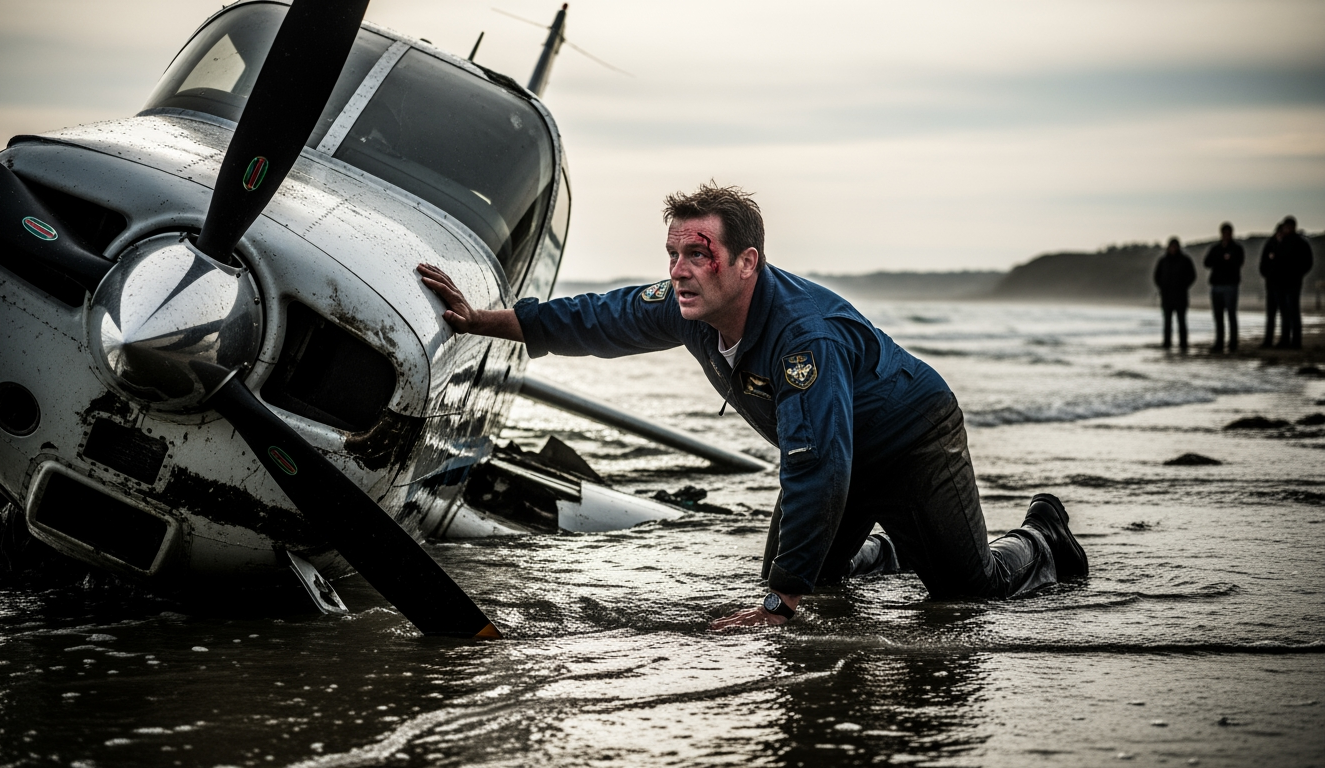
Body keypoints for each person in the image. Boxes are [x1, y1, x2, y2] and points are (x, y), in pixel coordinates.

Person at [417, 183, 1088, 629]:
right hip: (837, 449)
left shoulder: (802, 339)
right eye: (674, 253)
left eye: (698, 255)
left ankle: (1044, 537)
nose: (679, 269)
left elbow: (817, 466)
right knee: (799, 571)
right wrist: (480, 319)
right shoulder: (689, 305)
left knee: (965, 595)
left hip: (910, 437)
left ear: (747, 263)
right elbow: (595, 318)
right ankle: (888, 547)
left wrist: (781, 602)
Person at [1203, 222, 1244, 353]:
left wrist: (1224, 260)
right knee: (1218, 316)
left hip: (1230, 286)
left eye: (1228, 233)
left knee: (1231, 315)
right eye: (1224, 233)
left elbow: (1238, 262)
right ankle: (1219, 342)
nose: (1226, 235)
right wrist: (1222, 258)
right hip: (1216, 286)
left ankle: (1233, 343)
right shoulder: (1215, 248)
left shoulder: (1237, 248)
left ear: (1231, 233)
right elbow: (1207, 262)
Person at [1275, 216, 1314, 349]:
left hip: (1292, 282)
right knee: (1285, 312)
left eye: (1286, 227)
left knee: (1293, 312)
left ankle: (1295, 342)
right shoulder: (1282, 242)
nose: (1284, 229)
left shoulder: (1300, 242)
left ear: (1291, 227)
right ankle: (1286, 340)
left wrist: (1298, 274)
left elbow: (1308, 262)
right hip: (1281, 283)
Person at [1153, 238, 1195, 352]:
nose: (1173, 248)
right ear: (1168, 247)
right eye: (1171, 246)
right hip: (1166, 296)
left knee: (1181, 321)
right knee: (1167, 322)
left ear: (1178, 247)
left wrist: (1184, 286)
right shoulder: (1163, 261)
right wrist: (1162, 286)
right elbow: (1156, 276)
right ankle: (1167, 343)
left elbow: (1192, 275)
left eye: (1175, 246)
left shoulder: (1185, 260)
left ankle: (1183, 343)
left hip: (1181, 296)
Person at [1260, 224, 1285, 348]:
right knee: (1271, 315)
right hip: (1271, 285)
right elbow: (1263, 264)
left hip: (1285, 286)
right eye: (1279, 232)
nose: (1280, 235)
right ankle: (1268, 340)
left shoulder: (1287, 245)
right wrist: (1267, 275)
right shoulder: (1270, 244)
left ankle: (1284, 340)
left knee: (1285, 314)